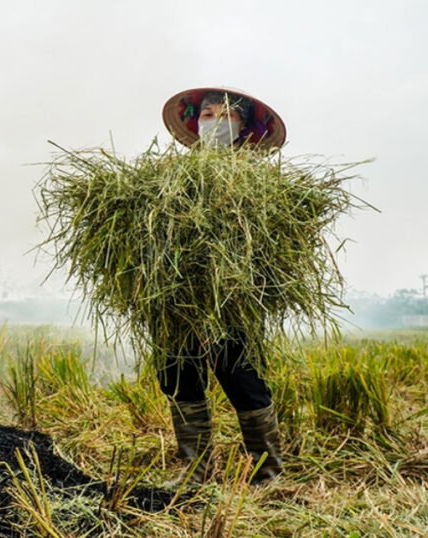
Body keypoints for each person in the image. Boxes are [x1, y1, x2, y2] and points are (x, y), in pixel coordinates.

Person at [157, 87, 287, 485]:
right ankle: (195, 471)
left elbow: (276, 238)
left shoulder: (257, 175)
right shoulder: (171, 173)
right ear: (197, 122)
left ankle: (267, 473)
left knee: (240, 376)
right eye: (209, 114)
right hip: (177, 295)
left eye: (228, 115)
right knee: (178, 376)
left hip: (233, 297)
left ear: (243, 125)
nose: (216, 121)